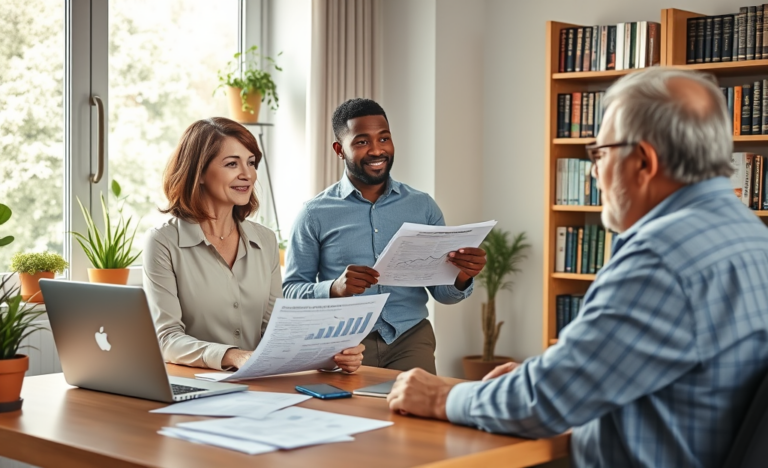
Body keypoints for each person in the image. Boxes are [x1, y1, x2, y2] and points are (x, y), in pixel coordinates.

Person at [386, 67, 768, 467]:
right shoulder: (749, 235)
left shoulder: (661, 258)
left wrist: (441, 396)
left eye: (599, 154)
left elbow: (548, 401)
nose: (593, 172)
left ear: (643, 161)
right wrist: (551, 373)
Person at [283, 98, 487, 374]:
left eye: (384, 138)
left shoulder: (423, 206)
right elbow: (290, 291)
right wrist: (334, 288)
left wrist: (463, 276)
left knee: (419, 414)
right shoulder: (314, 214)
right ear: (339, 150)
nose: (377, 150)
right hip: (343, 345)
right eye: (362, 142)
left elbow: (444, 294)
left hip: (410, 338)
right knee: (352, 415)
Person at [143, 117, 364, 372]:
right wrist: (234, 356)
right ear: (199, 172)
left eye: (251, 162)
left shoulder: (265, 240)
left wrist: (330, 355)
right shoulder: (162, 242)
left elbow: (275, 330)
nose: (247, 174)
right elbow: (167, 339)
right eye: (231, 164)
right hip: (193, 383)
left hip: (256, 383)